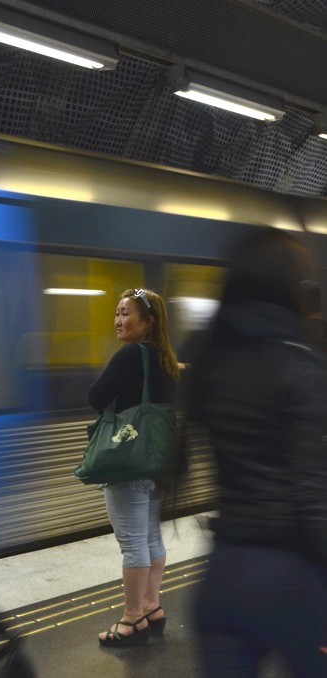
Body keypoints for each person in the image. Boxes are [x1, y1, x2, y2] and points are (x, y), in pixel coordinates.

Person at [186, 229, 327, 676]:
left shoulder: (210, 364)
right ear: (293, 291)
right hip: (295, 582)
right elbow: (313, 499)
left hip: (222, 580)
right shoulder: (304, 369)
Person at [88, 287, 179, 647]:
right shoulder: (166, 360)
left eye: (126, 313)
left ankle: (131, 619)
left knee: (132, 544)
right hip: (157, 464)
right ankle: (151, 606)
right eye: (117, 313)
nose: (118, 321)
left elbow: (95, 396)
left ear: (148, 322)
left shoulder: (130, 356)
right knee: (150, 538)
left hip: (128, 463)